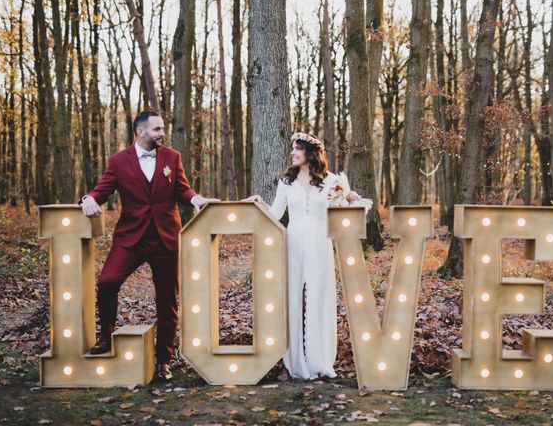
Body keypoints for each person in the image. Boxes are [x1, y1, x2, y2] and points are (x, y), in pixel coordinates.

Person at [80, 111, 219, 381]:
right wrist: (88, 198)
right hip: (130, 238)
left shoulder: (172, 158)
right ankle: (106, 338)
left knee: (167, 301)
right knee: (107, 282)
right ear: (140, 132)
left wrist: (196, 200)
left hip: (165, 238)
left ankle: (163, 361)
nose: (161, 133)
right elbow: (103, 189)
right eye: (156, 129)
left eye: (162, 129)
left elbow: (181, 189)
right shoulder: (119, 161)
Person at [244, 132, 360, 379]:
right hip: (294, 240)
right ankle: (295, 362)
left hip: (320, 240)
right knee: (293, 299)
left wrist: (350, 198)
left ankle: (318, 360)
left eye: (297, 149)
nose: (293, 153)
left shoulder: (330, 181)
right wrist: (259, 203)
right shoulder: (286, 182)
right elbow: (275, 215)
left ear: (310, 152)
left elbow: (340, 210)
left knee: (319, 296)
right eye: (292, 150)